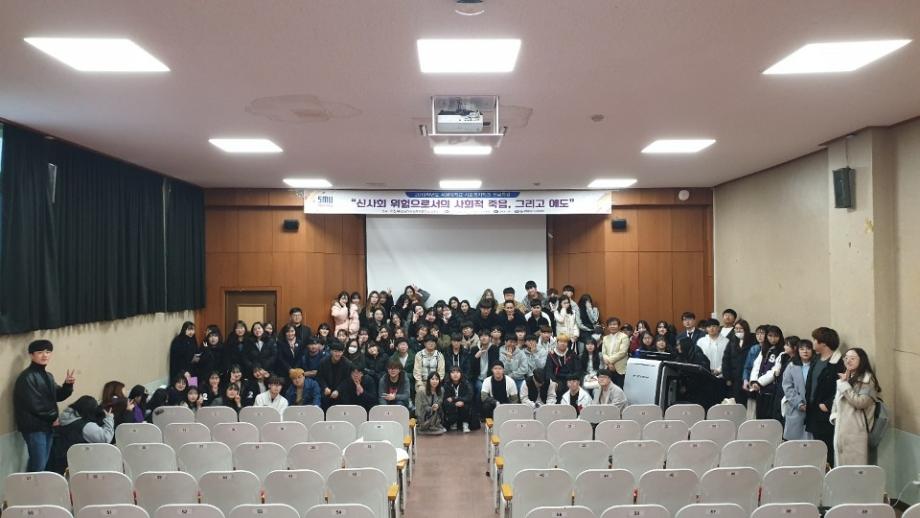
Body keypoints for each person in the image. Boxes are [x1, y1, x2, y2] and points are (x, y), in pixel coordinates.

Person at [13, 340, 76, 472]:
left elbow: (58, 395)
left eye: (48, 352)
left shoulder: (48, 376)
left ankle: (34, 485)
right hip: (34, 427)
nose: (45, 355)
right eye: (40, 352)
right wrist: (54, 418)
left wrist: (67, 385)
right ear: (31, 355)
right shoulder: (27, 377)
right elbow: (35, 405)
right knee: (38, 464)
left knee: (42, 464)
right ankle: (29, 485)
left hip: (46, 426)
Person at [831, 347, 881, 466]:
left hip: (857, 431)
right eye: (846, 358)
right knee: (841, 468)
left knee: (855, 469)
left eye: (853, 358)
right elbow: (837, 401)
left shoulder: (867, 380)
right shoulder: (847, 377)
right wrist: (835, 417)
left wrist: (844, 385)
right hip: (842, 429)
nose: (848, 361)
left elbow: (860, 402)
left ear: (861, 360)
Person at [805, 326, 846, 466]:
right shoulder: (816, 358)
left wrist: (828, 404)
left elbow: (841, 388)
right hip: (812, 409)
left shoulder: (838, 363)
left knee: (828, 447)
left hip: (826, 412)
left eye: (815, 340)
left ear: (823, 343)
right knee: (817, 446)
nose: (813, 342)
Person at [48, 395, 114, 474]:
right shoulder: (86, 426)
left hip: (60, 463)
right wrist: (109, 418)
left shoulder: (64, 418)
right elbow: (106, 438)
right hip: (80, 465)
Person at [749, 326, 784, 420]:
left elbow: (775, 371)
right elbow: (756, 366)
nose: (773, 339)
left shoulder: (782, 352)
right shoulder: (765, 349)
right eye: (770, 336)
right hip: (760, 390)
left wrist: (760, 382)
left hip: (772, 390)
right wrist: (754, 381)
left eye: (776, 336)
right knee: (760, 417)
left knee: (769, 419)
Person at [783, 339, 814, 440]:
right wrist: (799, 403)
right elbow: (787, 387)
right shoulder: (791, 366)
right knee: (795, 441)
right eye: (802, 349)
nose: (805, 351)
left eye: (808, 348)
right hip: (796, 407)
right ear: (798, 351)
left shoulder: (816, 365)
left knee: (811, 442)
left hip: (812, 407)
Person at [723, 319, 755, 405]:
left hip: (747, 377)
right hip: (734, 378)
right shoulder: (731, 342)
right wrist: (727, 377)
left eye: (740, 329)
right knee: (735, 402)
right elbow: (726, 360)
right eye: (736, 329)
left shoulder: (752, 342)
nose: (738, 331)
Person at [317, 342, 353, 409]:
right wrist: (325, 387)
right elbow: (319, 377)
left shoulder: (347, 364)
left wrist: (338, 390)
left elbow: (347, 380)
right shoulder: (323, 362)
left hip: (341, 391)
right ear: (331, 351)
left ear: (343, 352)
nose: (337, 354)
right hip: (327, 390)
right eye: (335, 351)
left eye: (340, 352)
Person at [443, 366, 473, 432]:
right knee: (447, 403)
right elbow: (445, 399)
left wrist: (455, 399)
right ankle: (453, 422)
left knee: (466, 404)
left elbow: (469, 396)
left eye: (457, 372)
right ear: (449, 374)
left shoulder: (466, 383)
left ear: (461, 374)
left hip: (463, 405)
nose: (455, 374)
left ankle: (465, 423)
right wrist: (454, 403)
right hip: (453, 406)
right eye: (453, 372)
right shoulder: (446, 384)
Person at [601, 318, 629, 387]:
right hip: (608, 368)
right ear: (608, 327)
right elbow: (604, 353)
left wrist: (610, 362)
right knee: (608, 388)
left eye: (614, 324)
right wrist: (609, 364)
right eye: (610, 324)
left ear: (618, 326)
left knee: (619, 389)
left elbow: (622, 352)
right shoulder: (605, 338)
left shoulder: (624, 337)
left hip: (620, 368)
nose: (612, 326)